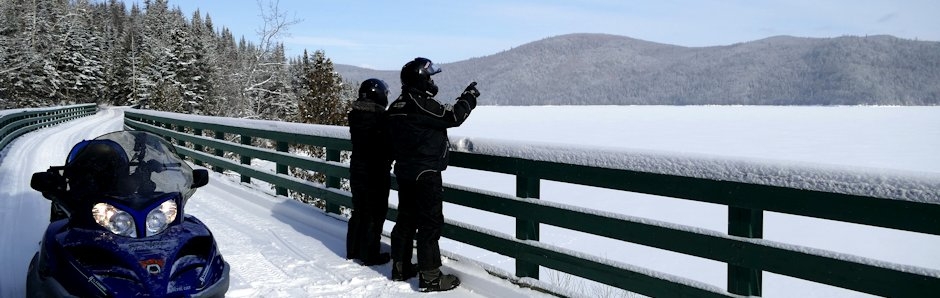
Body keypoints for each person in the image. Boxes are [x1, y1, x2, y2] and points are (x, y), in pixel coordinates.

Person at [387, 57, 480, 292]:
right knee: (430, 223)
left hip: (405, 171)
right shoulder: (420, 103)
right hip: (425, 172)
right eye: (428, 76)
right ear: (420, 78)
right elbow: (452, 117)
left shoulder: (396, 105)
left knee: (406, 219)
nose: (430, 80)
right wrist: (468, 98)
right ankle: (430, 277)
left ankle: (400, 267)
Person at [346, 78, 394, 266]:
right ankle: (370, 253)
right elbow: (388, 143)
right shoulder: (380, 118)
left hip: (357, 167)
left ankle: (353, 249)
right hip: (376, 169)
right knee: (375, 212)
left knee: (360, 209)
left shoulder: (355, 115)